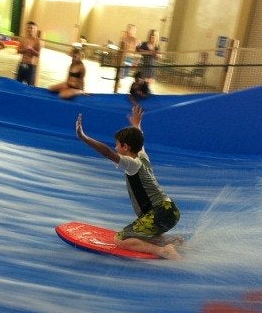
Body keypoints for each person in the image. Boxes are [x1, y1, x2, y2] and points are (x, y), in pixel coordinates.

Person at [75, 105, 182, 260]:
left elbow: (106, 152)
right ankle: (173, 241)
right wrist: (136, 124)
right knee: (142, 233)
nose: (115, 147)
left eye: (117, 144)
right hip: (170, 211)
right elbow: (139, 139)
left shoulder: (132, 164)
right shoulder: (142, 156)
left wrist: (83, 137)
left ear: (125, 147)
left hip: (160, 213)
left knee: (121, 239)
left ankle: (163, 250)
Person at [16, 21, 40, 86]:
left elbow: (38, 54)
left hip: (31, 66)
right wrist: (25, 50)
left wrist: (32, 50)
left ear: (35, 29)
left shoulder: (37, 41)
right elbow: (18, 51)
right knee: (18, 84)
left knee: (30, 85)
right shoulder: (23, 39)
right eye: (28, 28)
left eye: (31, 28)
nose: (30, 30)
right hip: (22, 63)